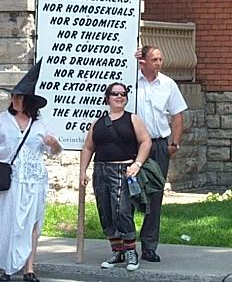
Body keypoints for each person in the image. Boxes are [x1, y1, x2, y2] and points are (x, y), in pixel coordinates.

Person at [0, 60, 62, 282]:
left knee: (32, 223)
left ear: (28, 101)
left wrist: (53, 143)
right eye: (14, 97)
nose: (15, 100)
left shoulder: (39, 123)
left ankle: (29, 268)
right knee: (9, 221)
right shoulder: (2, 120)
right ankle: (7, 268)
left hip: (35, 179)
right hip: (12, 179)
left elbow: (54, 150)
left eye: (19, 97)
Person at [80, 82, 152, 271]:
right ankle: (117, 250)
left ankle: (131, 251)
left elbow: (145, 141)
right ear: (107, 98)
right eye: (115, 94)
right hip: (101, 170)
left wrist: (137, 164)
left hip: (122, 169)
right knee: (105, 211)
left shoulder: (132, 119)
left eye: (123, 94)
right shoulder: (98, 122)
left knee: (121, 210)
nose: (120, 97)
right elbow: (88, 147)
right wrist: (83, 171)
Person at [135, 45, 188, 262]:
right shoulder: (129, 81)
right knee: (127, 197)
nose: (158, 63)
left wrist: (174, 143)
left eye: (160, 59)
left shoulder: (168, 84)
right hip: (132, 146)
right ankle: (125, 245)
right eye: (154, 59)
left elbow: (177, 115)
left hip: (158, 146)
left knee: (155, 196)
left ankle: (149, 246)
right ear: (143, 62)